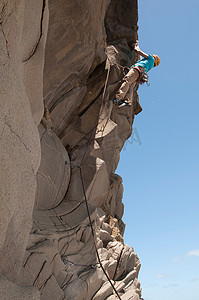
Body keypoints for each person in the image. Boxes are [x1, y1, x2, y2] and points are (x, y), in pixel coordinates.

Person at [115, 41, 160, 108]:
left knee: (127, 80)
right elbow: (139, 58)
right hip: (140, 74)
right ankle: (127, 101)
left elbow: (139, 51)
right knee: (130, 86)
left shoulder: (151, 58)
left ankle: (119, 97)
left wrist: (136, 46)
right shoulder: (149, 64)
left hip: (137, 69)